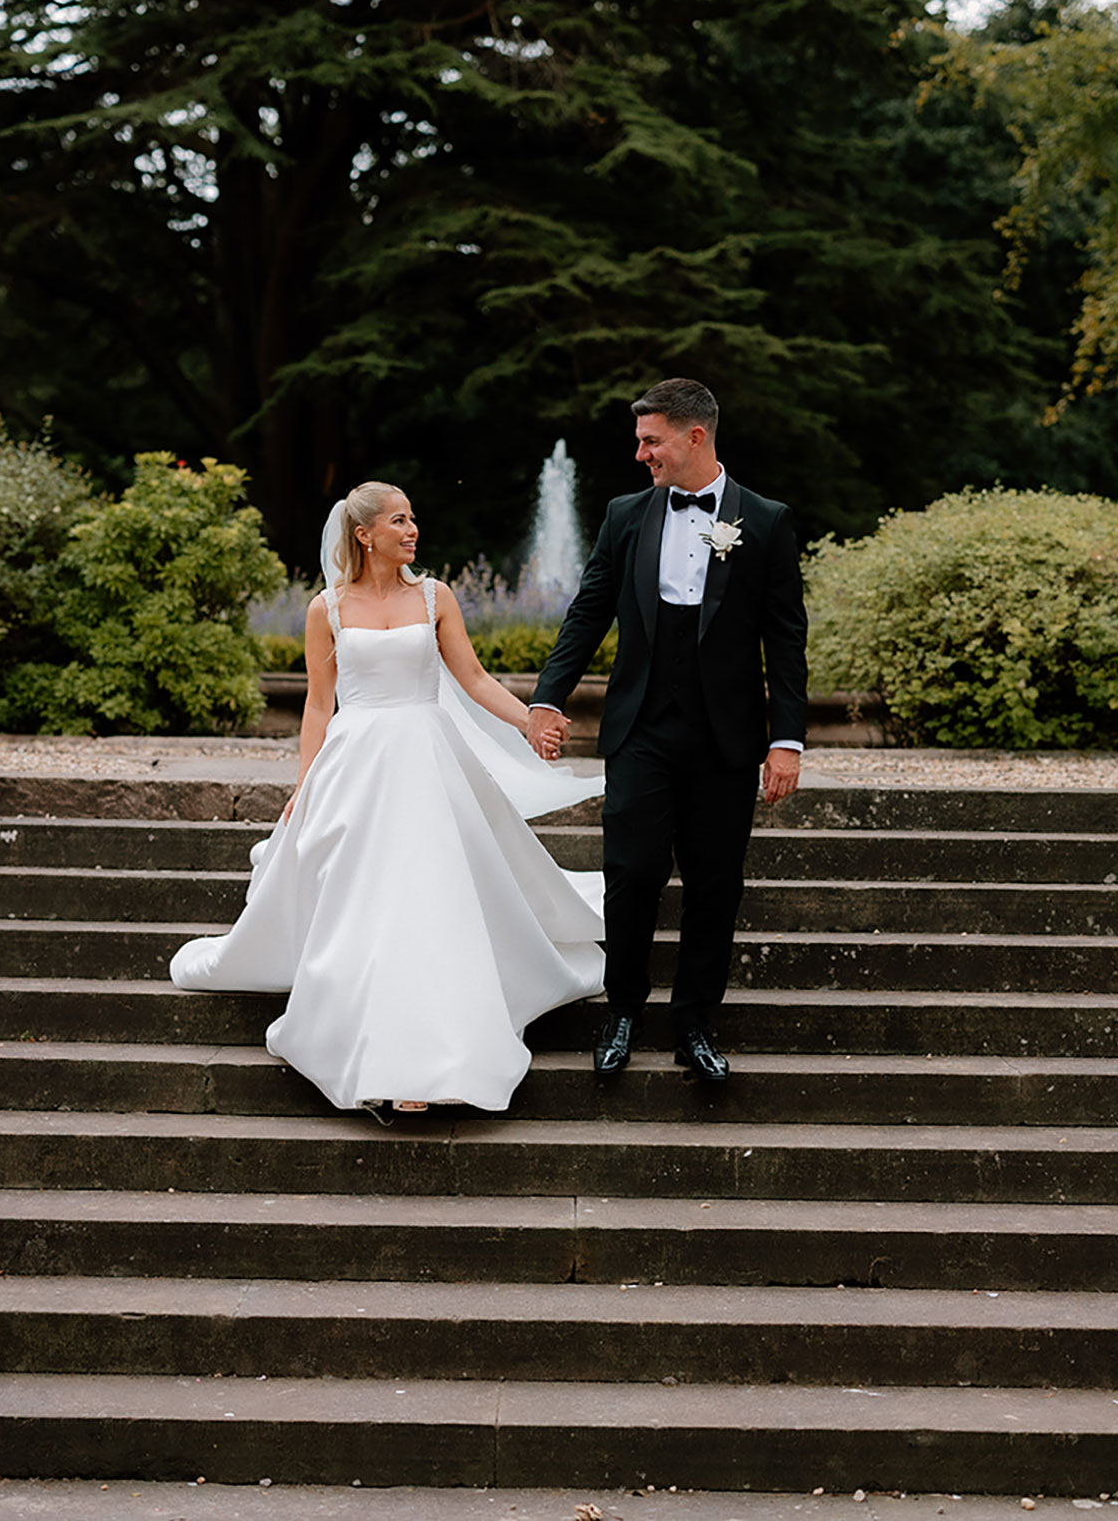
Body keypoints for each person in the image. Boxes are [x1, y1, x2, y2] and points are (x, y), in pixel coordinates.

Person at [170, 481, 604, 1114]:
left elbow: (474, 678)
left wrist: (530, 721)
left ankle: (438, 1053)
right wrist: (305, 785)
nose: (412, 529)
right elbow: (318, 705)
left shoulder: (435, 596)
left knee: (429, 900)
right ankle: (372, 1047)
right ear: (364, 534)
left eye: (413, 518)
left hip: (429, 759)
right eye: (398, 520)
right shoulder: (326, 609)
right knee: (367, 905)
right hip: (357, 766)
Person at [526, 378, 807, 1084]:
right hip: (641, 730)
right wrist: (547, 697)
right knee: (632, 873)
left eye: (651, 440)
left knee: (715, 882)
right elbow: (589, 611)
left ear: (694, 436)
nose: (640, 453)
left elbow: (786, 640)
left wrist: (787, 739)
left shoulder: (766, 521)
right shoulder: (625, 515)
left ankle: (695, 1024)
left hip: (726, 737)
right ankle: (622, 1011)